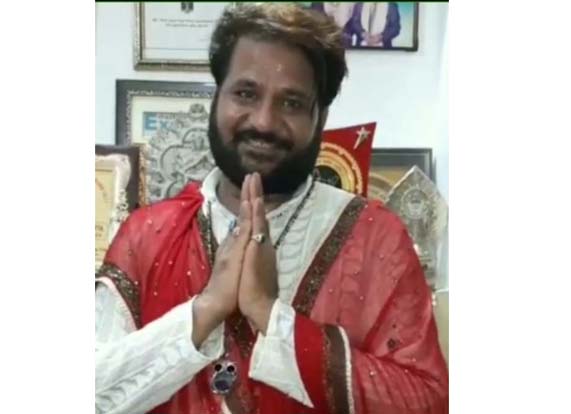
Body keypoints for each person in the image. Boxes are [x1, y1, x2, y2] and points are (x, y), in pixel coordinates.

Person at [95, 4, 448, 414]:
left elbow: (426, 401)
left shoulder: (374, 237)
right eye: (246, 94)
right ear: (217, 96)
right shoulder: (148, 235)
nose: (263, 121)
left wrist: (270, 315)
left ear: (320, 117)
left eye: (292, 103)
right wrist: (205, 310)